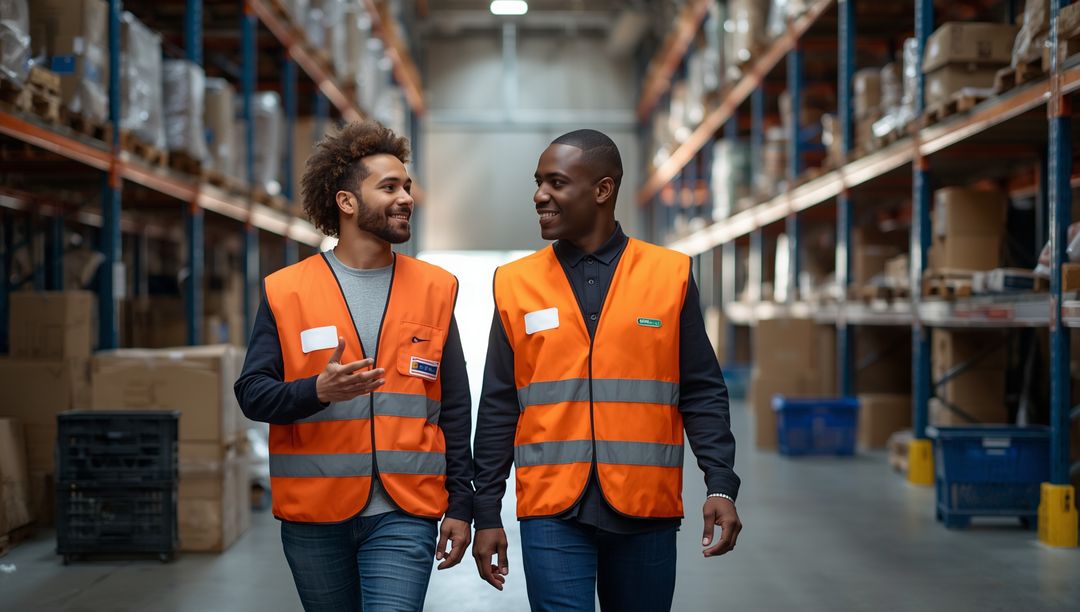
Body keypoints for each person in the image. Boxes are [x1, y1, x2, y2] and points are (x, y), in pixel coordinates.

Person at [471, 129, 742, 611]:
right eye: (538, 182)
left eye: (556, 182)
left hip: (646, 508)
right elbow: (498, 405)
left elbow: (701, 391)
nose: (540, 195)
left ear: (602, 190)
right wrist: (485, 510)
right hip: (552, 508)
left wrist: (720, 482)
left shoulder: (669, 274)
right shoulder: (515, 283)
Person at [234, 120, 473, 612]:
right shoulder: (287, 291)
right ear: (346, 202)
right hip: (315, 513)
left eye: (406, 186)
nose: (406, 197)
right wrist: (315, 391)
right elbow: (252, 394)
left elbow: (453, 405)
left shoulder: (436, 288)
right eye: (389, 187)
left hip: (406, 510)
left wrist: (462, 503)